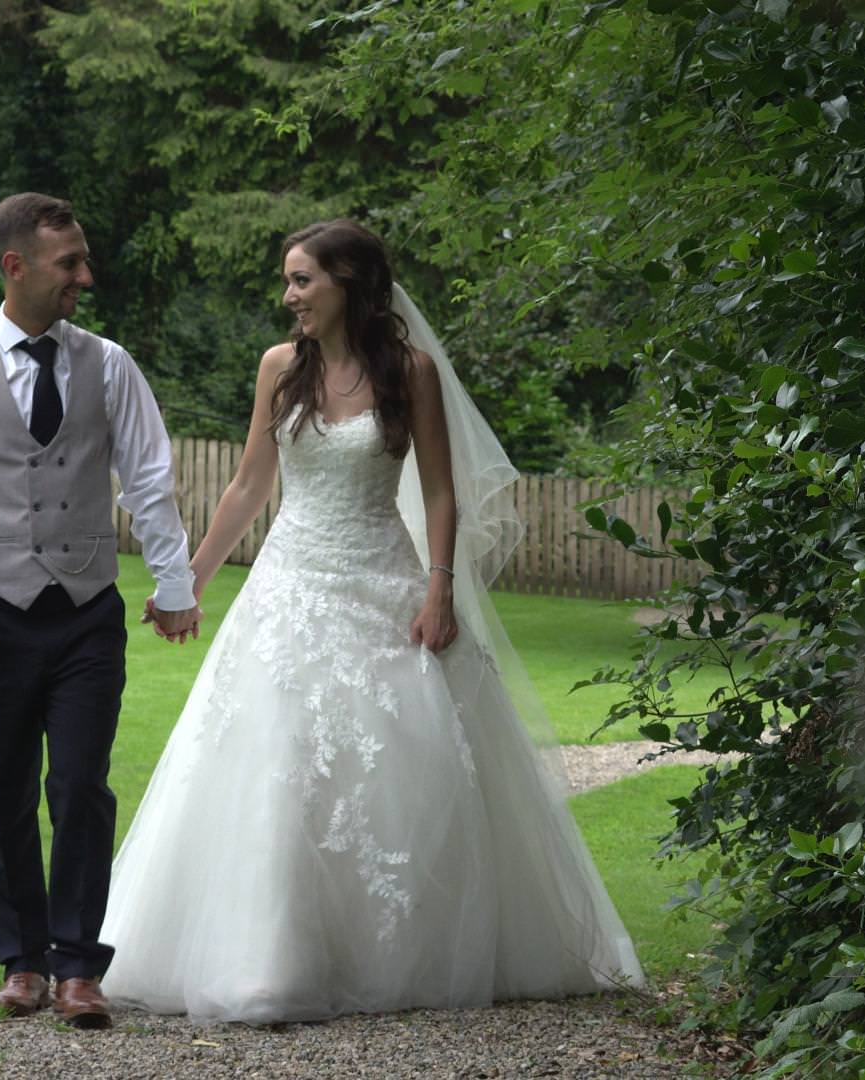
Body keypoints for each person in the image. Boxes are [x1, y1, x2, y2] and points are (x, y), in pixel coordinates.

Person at [98, 219, 642, 1022]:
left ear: (347, 282)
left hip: (383, 583)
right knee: (276, 761)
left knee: (397, 770)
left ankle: (385, 955)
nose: (289, 296)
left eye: (302, 280)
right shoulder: (279, 367)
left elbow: (440, 492)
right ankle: (270, 964)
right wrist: (188, 583)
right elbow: (249, 486)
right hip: (288, 587)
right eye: (288, 281)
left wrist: (439, 589)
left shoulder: (409, 371)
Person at [0, 192, 203, 1029]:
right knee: (3, 790)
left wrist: (174, 585)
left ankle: (78, 968)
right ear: (16, 266)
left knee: (79, 785)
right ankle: (22, 962)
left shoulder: (110, 365)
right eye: (69, 262)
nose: (85, 275)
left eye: (83, 259)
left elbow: (148, 479)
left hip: (85, 612)